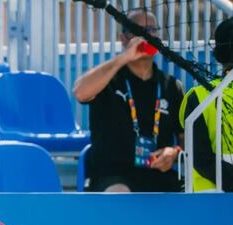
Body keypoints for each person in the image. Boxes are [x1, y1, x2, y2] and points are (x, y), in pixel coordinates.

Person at [73, 8, 184, 192]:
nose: (145, 36)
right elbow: (80, 92)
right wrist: (124, 58)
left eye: (151, 30)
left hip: (159, 176)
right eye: (137, 30)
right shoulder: (108, 79)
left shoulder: (171, 86)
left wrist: (174, 152)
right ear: (123, 38)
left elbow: (186, 137)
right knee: (120, 194)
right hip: (113, 176)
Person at [179, 17, 233, 192]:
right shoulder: (199, 97)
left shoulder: (198, 96)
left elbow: (201, 159)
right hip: (212, 207)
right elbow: (202, 160)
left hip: (208, 206)